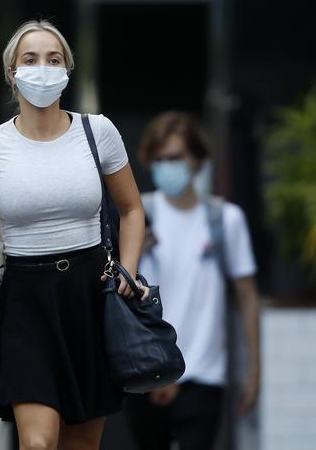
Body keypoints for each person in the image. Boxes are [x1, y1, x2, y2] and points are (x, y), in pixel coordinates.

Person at [0, 20, 148, 450]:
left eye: (54, 60)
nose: (43, 69)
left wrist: (127, 271)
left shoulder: (98, 132)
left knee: (82, 445)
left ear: (68, 71)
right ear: (12, 73)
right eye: (31, 59)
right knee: (37, 444)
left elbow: (131, 209)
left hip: (89, 295)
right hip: (25, 301)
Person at [125, 111, 261, 450]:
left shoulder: (225, 220)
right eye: (159, 159)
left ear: (197, 160)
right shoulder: (137, 216)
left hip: (204, 375)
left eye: (175, 158)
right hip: (146, 373)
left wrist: (254, 371)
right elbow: (120, 294)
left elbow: (247, 297)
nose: (166, 166)